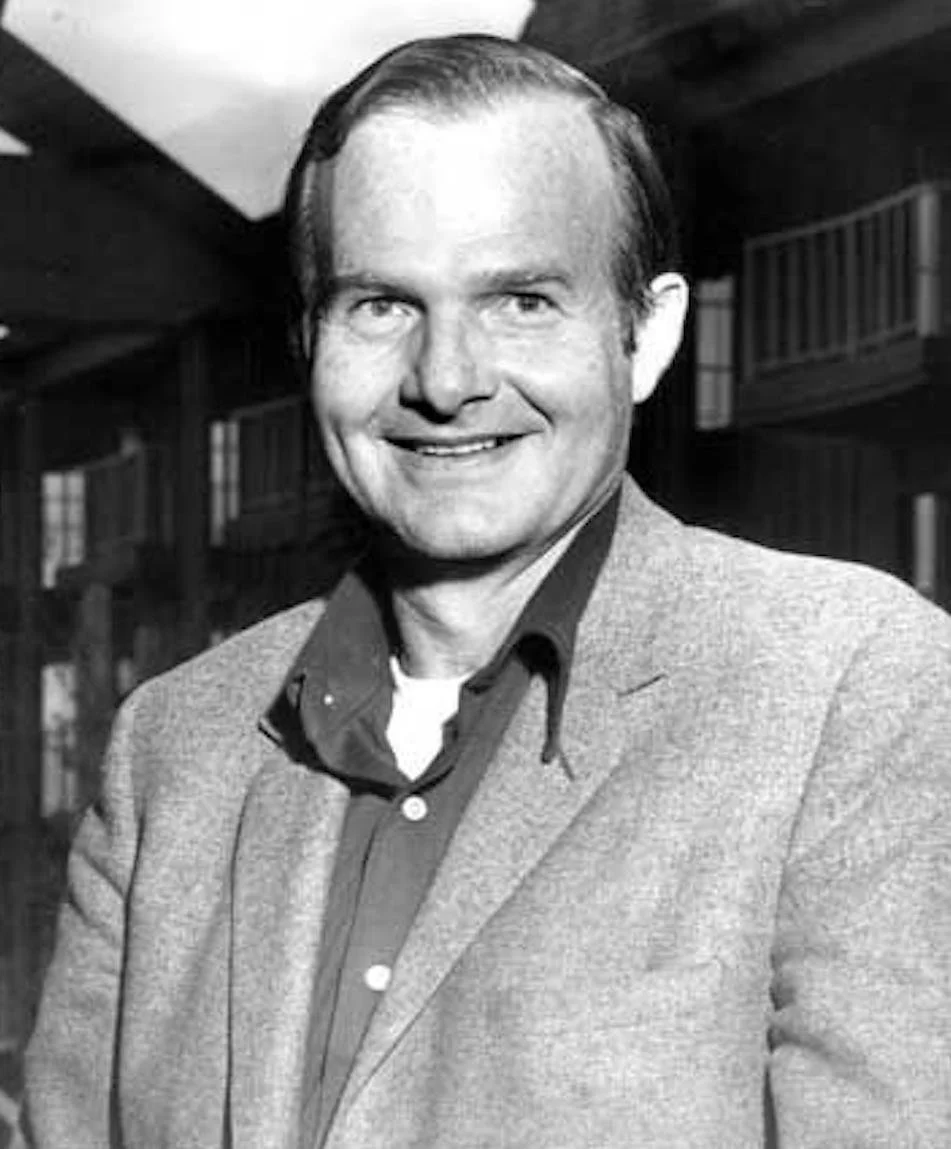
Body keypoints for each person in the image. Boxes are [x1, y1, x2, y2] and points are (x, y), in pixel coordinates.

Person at [23, 33, 951, 1149]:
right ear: (311, 337)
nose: (446, 379)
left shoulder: (849, 687)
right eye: (382, 305)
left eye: (519, 300)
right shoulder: (171, 748)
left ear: (646, 335)